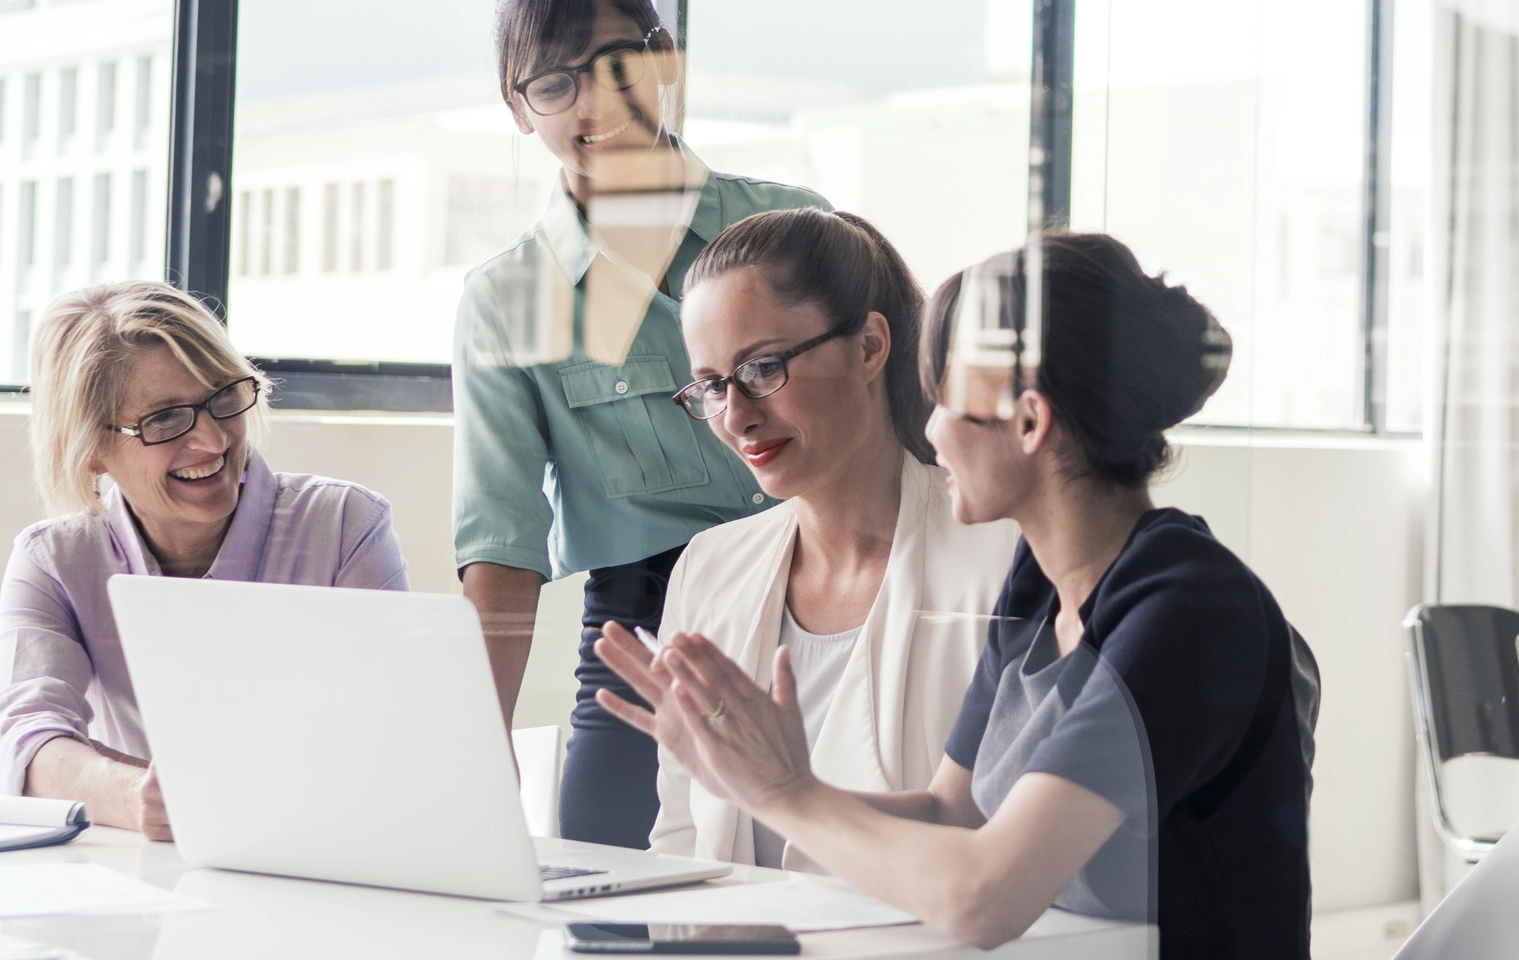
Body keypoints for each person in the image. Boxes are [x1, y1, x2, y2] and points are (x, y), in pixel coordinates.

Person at [599, 234, 1314, 958]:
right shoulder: (1039, 586)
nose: (931, 429)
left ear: (1031, 422)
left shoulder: (1187, 609)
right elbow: (949, 813)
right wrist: (749, 777)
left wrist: (788, 793)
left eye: (947, 401)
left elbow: (984, 896)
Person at [451, 0, 834, 848]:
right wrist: (479, 742)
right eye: (555, 83)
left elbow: (894, 433)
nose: (598, 104)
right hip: (645, 625)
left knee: (834, 872)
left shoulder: (793, 231)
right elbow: (502, 545)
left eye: (621, 63)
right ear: (518, 108)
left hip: (827, 593)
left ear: (666, 58)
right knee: (603, 881)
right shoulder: (509, 299)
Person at [619, 208, 1018, 869]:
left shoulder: (1000, 563)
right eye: (713, 386)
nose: (737, 416)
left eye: (763, 368)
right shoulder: (710, 569)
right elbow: (683, 844)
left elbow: (1012, 858)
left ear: (868, 347)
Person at [0, 281, 410, 838]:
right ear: (92, 452)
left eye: (223, 398)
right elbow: (20, 737)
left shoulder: (345, 525)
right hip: (145, 873)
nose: (211, 441)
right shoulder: (55, 560)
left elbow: (393, 733)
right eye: (164, 419)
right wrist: (133, 797)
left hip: (326, 853)